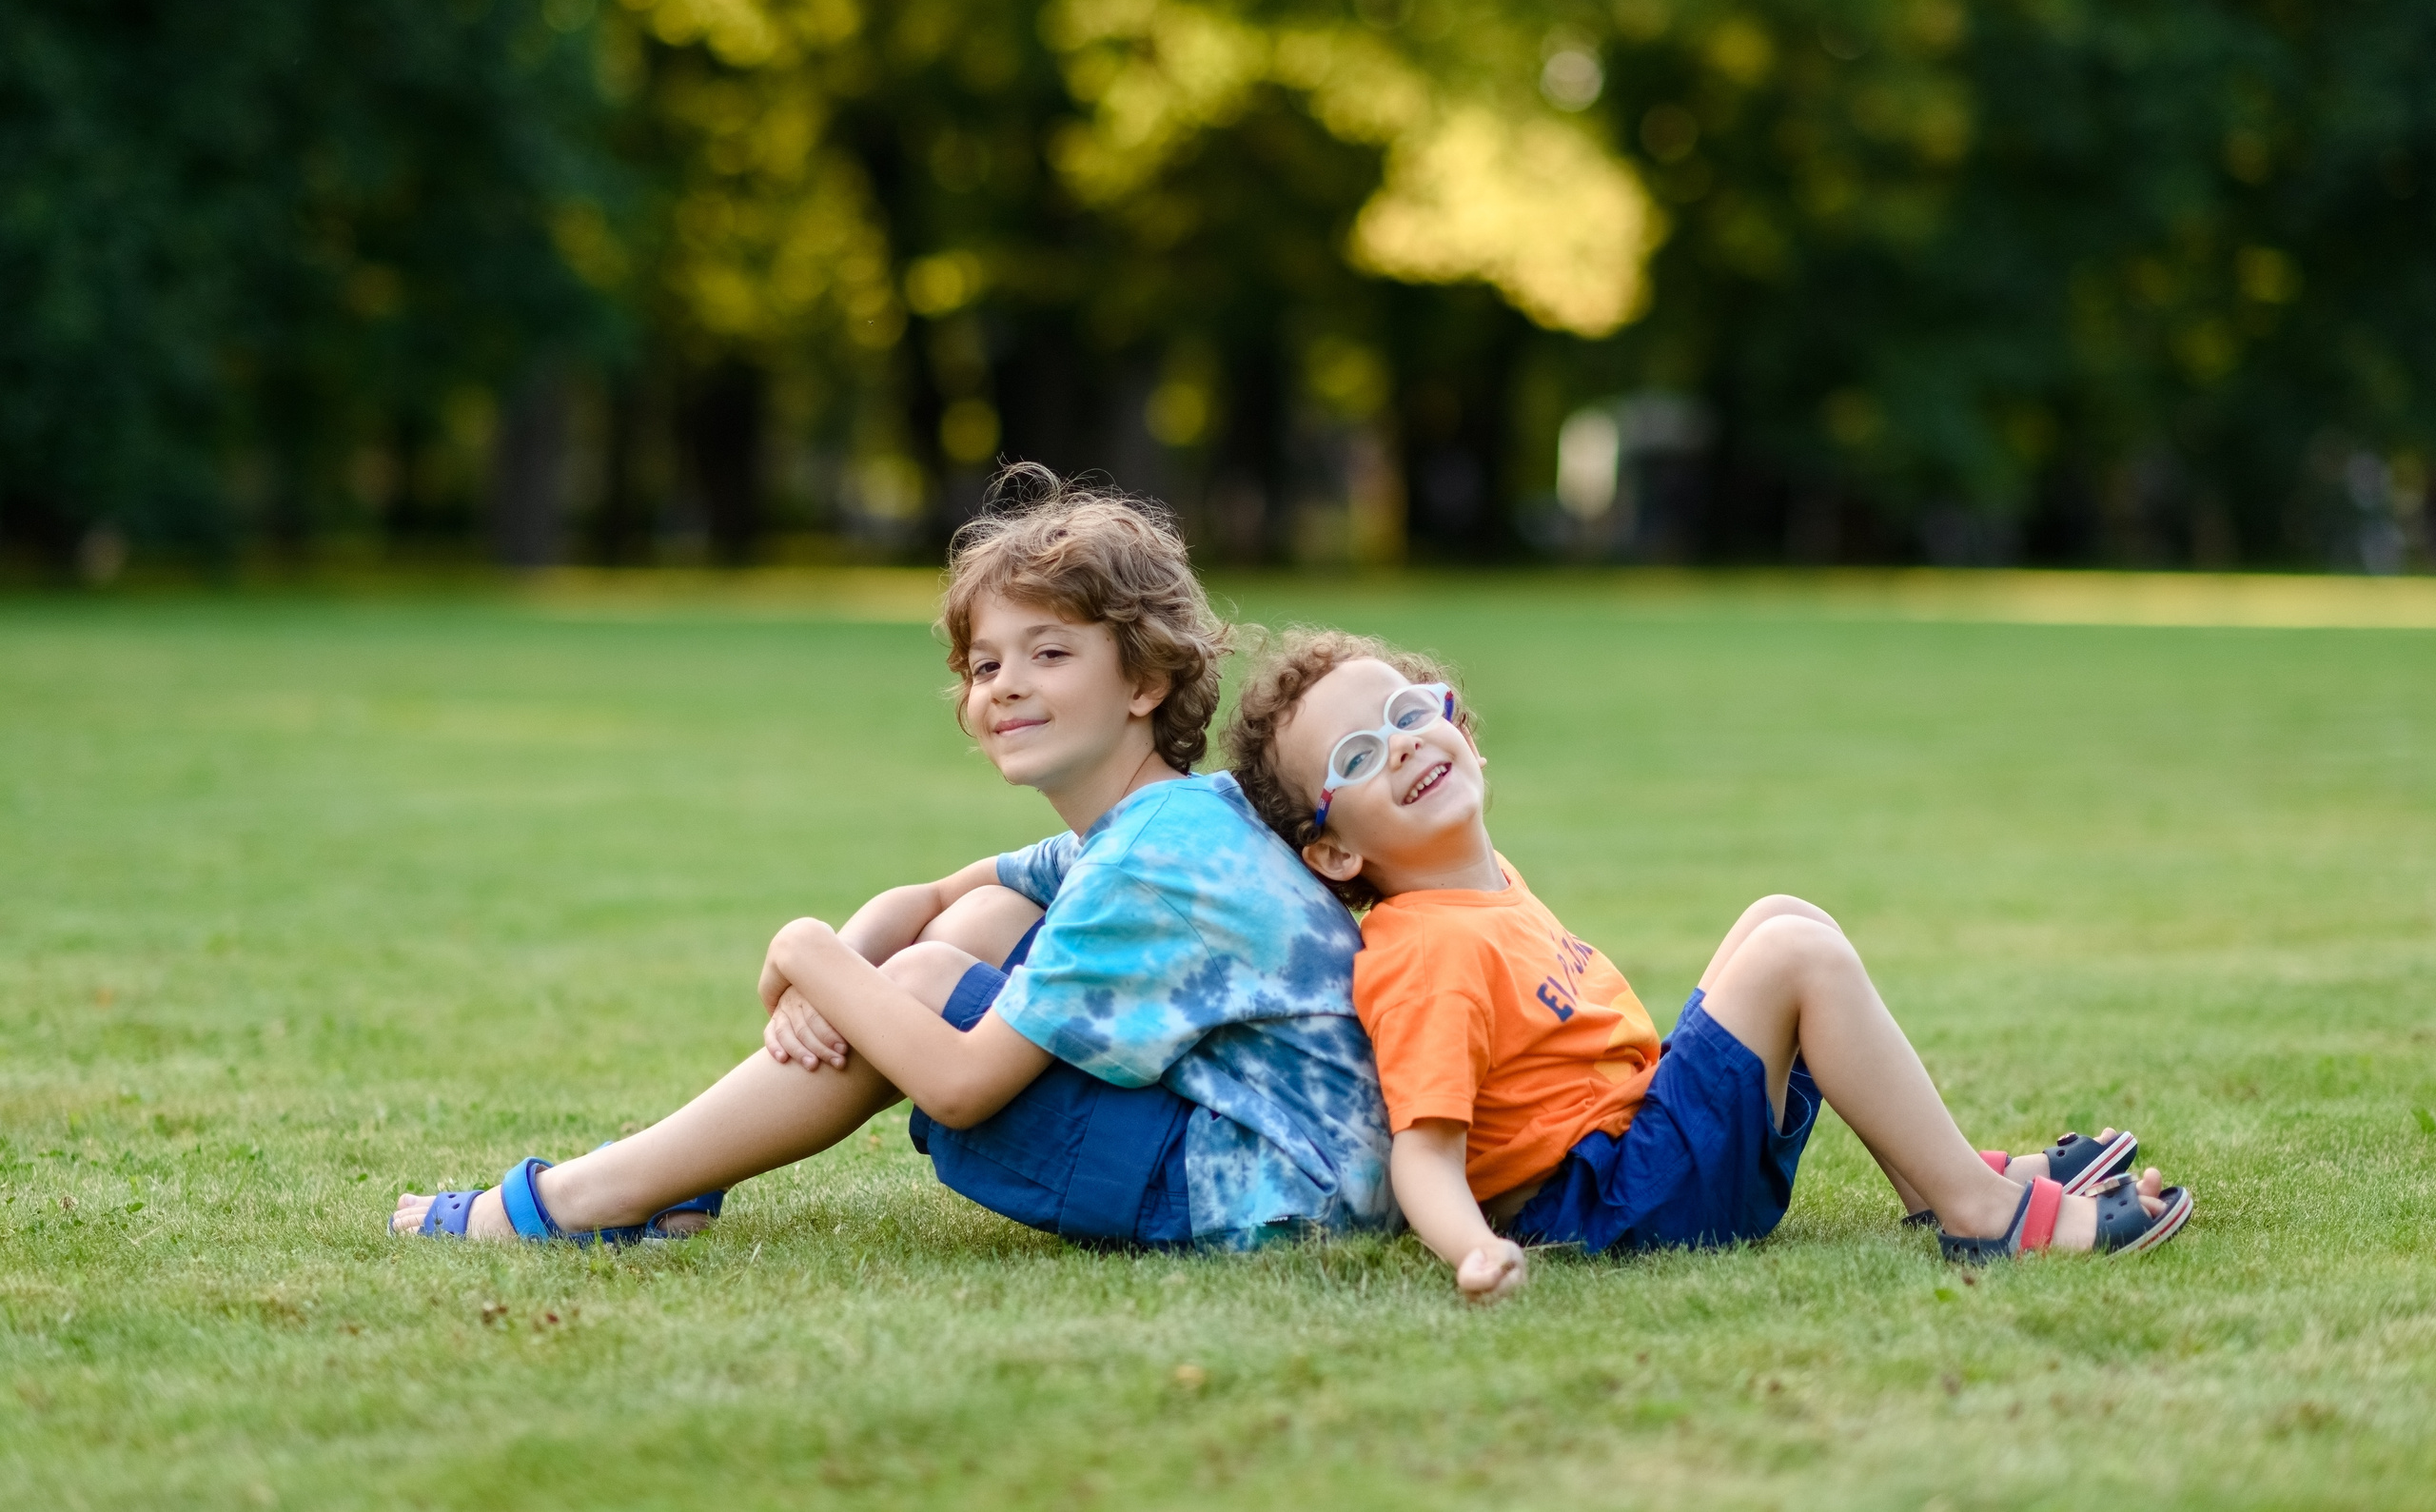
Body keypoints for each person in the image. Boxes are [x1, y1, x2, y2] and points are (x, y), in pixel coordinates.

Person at [390, 471, 1393, 1251]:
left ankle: (580, 1199)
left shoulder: (1152, 865)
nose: (1006, 686)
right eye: (985, 664)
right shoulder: (1167, 818)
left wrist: (806, 950)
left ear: (1145, 680)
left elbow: (960, 1087)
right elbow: (946, 893)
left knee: (921, 981)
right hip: (1299, 1160)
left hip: (1275, 1196)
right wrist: (848, 962)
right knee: (972, 926)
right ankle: (681, 1178)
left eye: (1050, 654)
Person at [1222, 628, 2193, 1302]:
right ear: (1333, 851)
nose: (1398, 747)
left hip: (1640, 1153)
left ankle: (1934, 1179)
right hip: (1613, 1207)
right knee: (1794, 952)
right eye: (1354, 756)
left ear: (1458, 727)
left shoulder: (1482, 888)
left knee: (1780, 916)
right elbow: (1424, 1150)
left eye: (1403, 713)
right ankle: (1981, 1212)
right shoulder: (1424, 950)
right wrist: (1475, 1252)